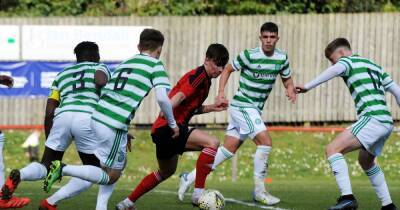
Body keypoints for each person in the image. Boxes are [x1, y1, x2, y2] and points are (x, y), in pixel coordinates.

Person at [43, 29, 179, 203]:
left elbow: (107, 90)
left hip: (97, 117)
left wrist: (121, 131)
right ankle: (63, 168)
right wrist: (172, 123)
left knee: (109, 167)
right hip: (113, 123)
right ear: (159, 50)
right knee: (111, 175)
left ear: (139, 46)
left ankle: (57, 201)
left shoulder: (126, 62)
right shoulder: (155, 65)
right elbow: (162, 98)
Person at [178, 22, 296, 206]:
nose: (268, 41)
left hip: (253, 109)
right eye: (265, 37)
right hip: (243, 105)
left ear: (277, 39)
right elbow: (227, 70)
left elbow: (287, 79)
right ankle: (260, 192)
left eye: (272, 37)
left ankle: (189, 177)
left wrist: (290, 89)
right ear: (260, 38)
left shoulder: (282, 58)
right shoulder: (249, 55)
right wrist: (221, 92)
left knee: (228, 150)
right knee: (265, 142)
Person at [115, 43, 229, 210]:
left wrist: (212, 107)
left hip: (162, 130)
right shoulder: (199, 76)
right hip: (170, 128)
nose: (220, 69)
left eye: (223, 66)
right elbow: (180, 97)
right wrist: (166, 109)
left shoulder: (206, 82)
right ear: (207, 60)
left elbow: (190, 108)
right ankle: (198, 194)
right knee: (212, 143)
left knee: (165, 172)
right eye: (217, 64)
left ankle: (126, 203)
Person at [0, 41, 112, 209]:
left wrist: (50, 138)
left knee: (46, 165)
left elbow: (50, 109)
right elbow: (102, 84)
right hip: (87, 118)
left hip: (62, 118)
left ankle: (21, 175)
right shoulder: (100, 68)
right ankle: (58, 186)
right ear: (95, 56)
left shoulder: (62, 74)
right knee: (99, 171)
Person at [296, 38, 398, 210]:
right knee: (366, 161)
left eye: (332, 59)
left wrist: (307, 87)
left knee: (332, 149)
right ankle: (388, 205)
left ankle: (347, 198)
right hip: (386, 122)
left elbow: (333, 71)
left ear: (341, 52)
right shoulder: (374, 66)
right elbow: (397, 91)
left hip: (372, 118)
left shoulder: (347, 61)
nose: (333, 63)